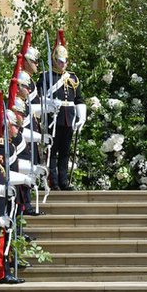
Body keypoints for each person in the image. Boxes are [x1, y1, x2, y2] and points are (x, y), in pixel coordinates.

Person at [40, 34, 86, 191]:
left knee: (65, 152)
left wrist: (82, 117)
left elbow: (78, 99)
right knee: (53, 151)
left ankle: (64, 181)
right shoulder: (47, 77)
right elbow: (39, 99)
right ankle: (54, 182)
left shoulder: (72, 77)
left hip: (69, 118)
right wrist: (50, 103)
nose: (63, 64)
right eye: (60, 61)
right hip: (54, 118)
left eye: (65, 61)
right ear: (54, 60)